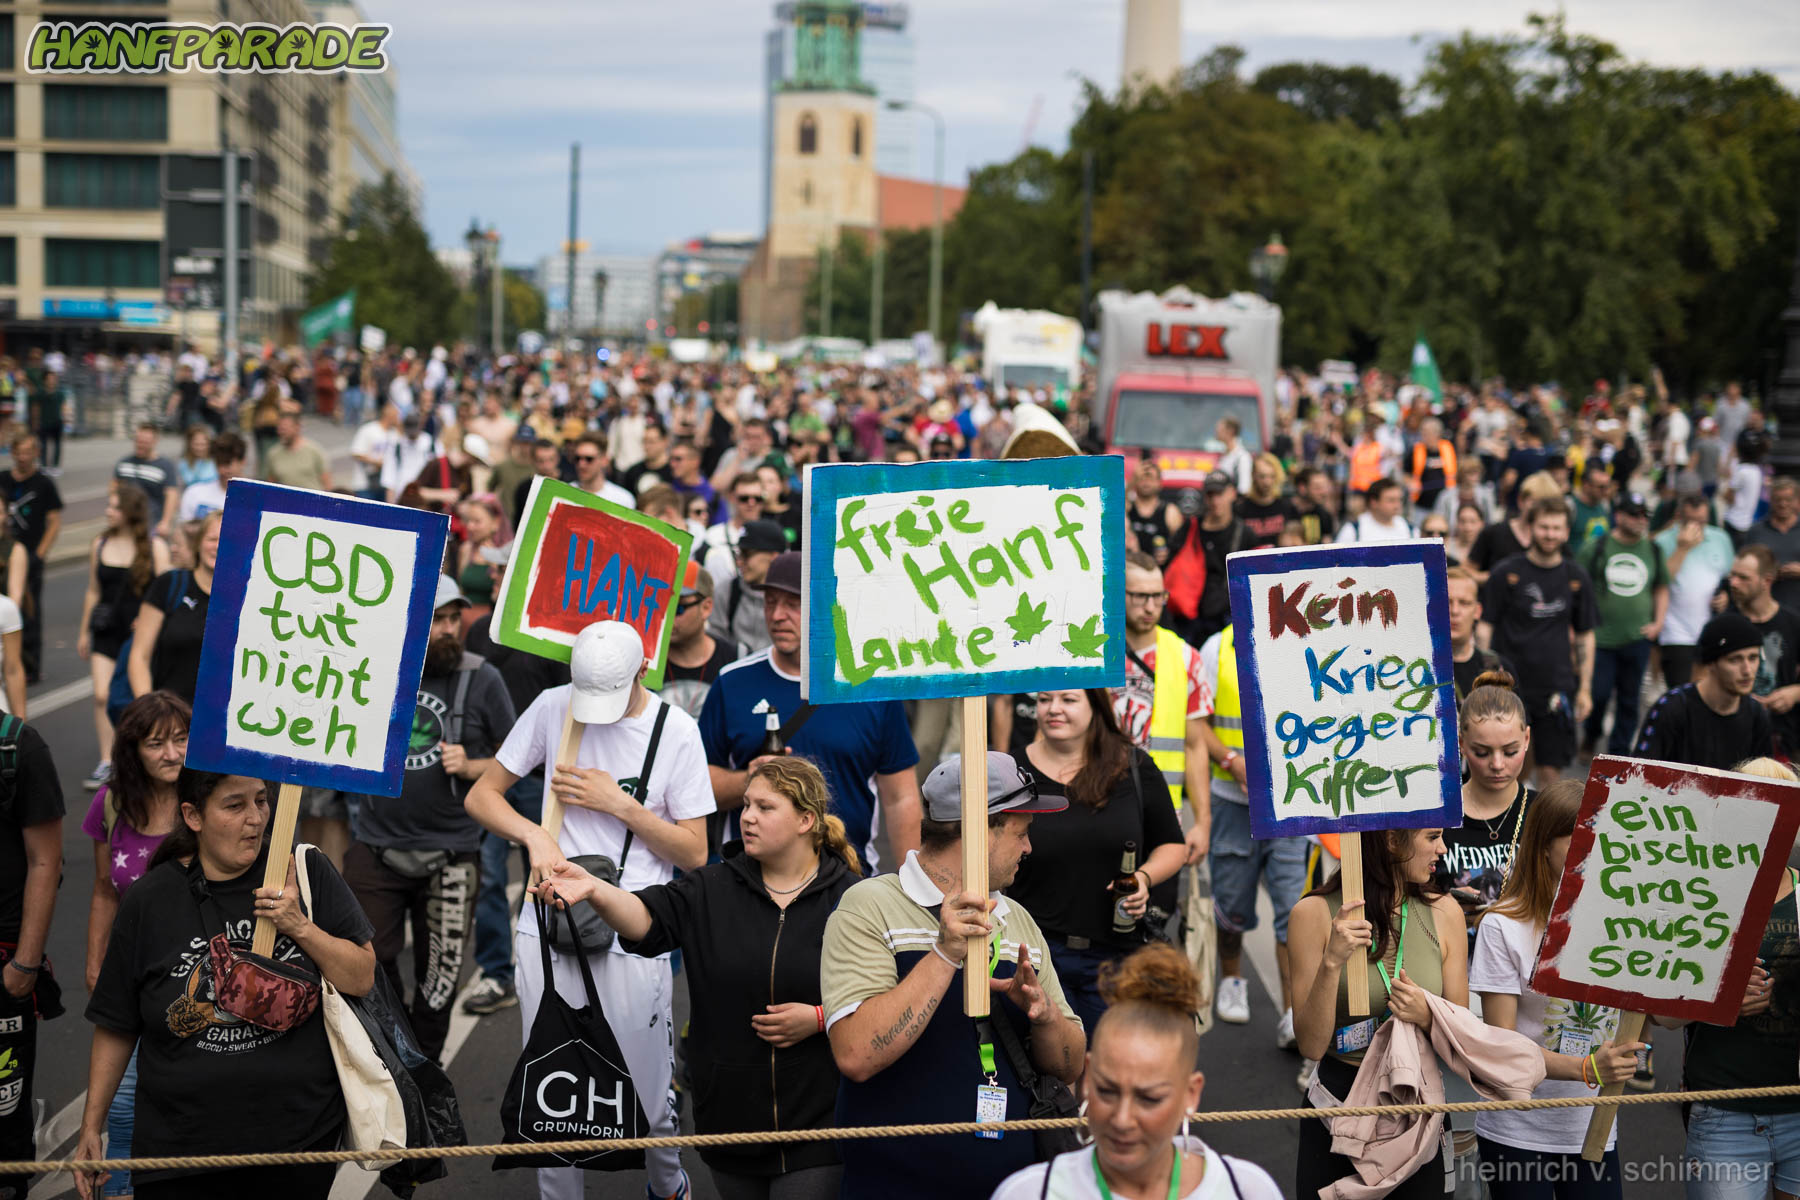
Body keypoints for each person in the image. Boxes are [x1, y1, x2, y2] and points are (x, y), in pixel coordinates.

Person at [465, 619, 714, 1200]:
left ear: (643, 670)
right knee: (554, 1091)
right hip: (548, 922)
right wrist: (534, 836)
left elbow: (695, 850)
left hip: (632, 927)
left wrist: (620, 806)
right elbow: (483, 794)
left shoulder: (675, 730)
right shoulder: (555, 705)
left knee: (649, 1096)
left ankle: (669, 1186)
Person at [535, 756, 860, 1200]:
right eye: (746, 805)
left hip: (819, 1123)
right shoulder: (711, 887)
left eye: (765, 808)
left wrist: (822, 1018)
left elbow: (882, 994)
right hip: (729, 1121)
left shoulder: (853, 898)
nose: (747, 817)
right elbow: (646, 919)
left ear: (806, 820)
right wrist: (595, 888)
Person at [75, 770, 374, 1200]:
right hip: (178, 1149)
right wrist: (90, 1126)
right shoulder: (151, 898)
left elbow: (362, 976)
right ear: (193, 815)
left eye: (261, 801)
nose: (255, 818)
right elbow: (117, 1021)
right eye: (235, 806)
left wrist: (299, 926)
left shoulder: (304, 873)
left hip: (296, 1140)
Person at [821, 752, 1086, 1200]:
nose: (1028, 848)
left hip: (1013, 1185)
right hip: (893, 1186)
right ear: (980, 831)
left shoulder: (1016, 916)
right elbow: (856, 1054)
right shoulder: (868, 906)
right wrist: (944, 954)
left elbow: (1070, 1064)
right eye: (1021, 834)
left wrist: (1044, 1020)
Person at [342, 575, 515, 1061]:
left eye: (454, 618)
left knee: (438, 984)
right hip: (376, 848)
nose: (449, 629)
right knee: (368, 965)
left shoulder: (482, 678)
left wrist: (474, 765)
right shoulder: (375, 669)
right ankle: (397, 1057)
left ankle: (428, 1078)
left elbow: (518, 759)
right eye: (437, 619)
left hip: (452, 853)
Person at [990, 943, 1283, 1200]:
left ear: (1190, 1095)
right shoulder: (1029, 1192)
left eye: (1149, 1098)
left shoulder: (1246, 1190)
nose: (1121, 1119)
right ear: (1088, 1078)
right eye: (1107, 1091)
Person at [1472, 779, 1645, 1200]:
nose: (1594, 850)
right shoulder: (1501, 925)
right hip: (1517, 1128)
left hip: (1595, 1125)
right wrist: (1587, 1070)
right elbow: (1502, 1045)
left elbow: (1669, 1018)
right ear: (1543, 845)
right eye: (1579, 838)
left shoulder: (1626, 921)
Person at [701, 551, 923, 871]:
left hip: (849, 882)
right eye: (770, 602)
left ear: (824, 606)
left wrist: (911, 888)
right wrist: (748, 780)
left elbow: (901, 797)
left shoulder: (869, 687)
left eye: (793, 604)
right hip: (748, 885)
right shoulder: (733, 682)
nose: (777, 615)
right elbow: (696, 787)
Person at [1290, 825, 1468, 1200]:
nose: (1443, 848)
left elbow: (1460, 1036)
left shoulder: (1445, 910)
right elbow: (1310, 1044)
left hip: (1416, 1106)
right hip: (1339, 1106)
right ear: (1391, 840)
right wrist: (1331, 963)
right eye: (1432, 837)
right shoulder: (1313, 913)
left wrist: (1428, 1013)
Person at [1008, 688, 1185, 1036]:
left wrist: (1144, 879)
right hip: (1033, 955)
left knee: (1106, 1068)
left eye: (1068, 700)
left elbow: (1172, 845)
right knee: (1046, 1071)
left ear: (1096, 707)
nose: (1053, 709)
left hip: (1116, 958)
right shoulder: (1012, 771)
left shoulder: (1133, 765)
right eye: (1044, 700)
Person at [1666, 755, 1800, 1200]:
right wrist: (1717, 998)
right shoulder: (1694, 898)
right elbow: (1657, 1015)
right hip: (1724, 1112)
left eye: (1780, 811)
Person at [79, 692, 189, 1199]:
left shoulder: (208, 800)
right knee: (120, 1106)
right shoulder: (113, 803)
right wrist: (95, 963)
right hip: (132, 980)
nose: (172, 754)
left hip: (194, 985)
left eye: (182, 739)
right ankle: (120, 1189)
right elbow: (104, 890)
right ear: (133, 750)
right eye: (157, 743)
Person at [459, 543, 570, 1018]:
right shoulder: (482, 630)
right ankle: (498, 973)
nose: (496, 577)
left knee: (545, 876)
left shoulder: (546, 632)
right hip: (498, 772)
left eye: (505, 570)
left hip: (542, 779)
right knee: (487, 876)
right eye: (494, 570)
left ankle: (554, 970)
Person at [1196, 620, 1309, 1036]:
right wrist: (1230, 761)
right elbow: (1197, 722)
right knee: (1231, 905)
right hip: (1231, 801)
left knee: (1294, 912)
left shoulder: (1307, 638)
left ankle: (1294, 1014)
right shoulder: (1217, 646)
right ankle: (1232, 981)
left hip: (1292, 805)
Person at [1479, 499, 1597, 784]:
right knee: (1512, 768)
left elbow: (1585, 635)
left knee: (1551, 770)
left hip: (1556, 688)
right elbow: (1484, 627)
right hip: (1509, 684)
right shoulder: (1506, 572)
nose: (1550, 534)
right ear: (1531, 528)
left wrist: (1584, 689)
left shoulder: (1576, 576)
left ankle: (1546, 827)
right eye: (1544, 527)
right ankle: (1518, 827)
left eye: (1557, 528)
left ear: (1567, 532)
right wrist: (1483, 676)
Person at [0, 716, 63, 1200]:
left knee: (5, 1109)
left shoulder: (18, 747)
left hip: (4, 963)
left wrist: (25, 963)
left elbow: (46, 860)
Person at [1114, 551, 1209, 860]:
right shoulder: (1094, 654)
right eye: (1140, 597)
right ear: (1118, 593)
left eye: (1158, 596)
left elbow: (1195, 746)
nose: (1151, 607)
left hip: (1164, 818)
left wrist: (1203, 823)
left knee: (1162, 908)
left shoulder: (1185, 658)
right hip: (1102, 809)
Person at [78, 486, 169, 792]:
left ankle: (133, 755)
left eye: (115, 507)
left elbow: (165, 591)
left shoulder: (154, 547)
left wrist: (149, 620)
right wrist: (83, 631)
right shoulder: (100, 543)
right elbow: (93, 589)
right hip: (105, 631)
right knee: (102, 695)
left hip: (137, 634)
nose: (108, 511)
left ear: (130, 512)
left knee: (130, 698)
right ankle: (108, 759)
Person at [1441, 672, 1534, 948]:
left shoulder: (1543, 812)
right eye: (1482, 752)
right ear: (1460, 743)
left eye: (1510, 751)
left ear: (1526, 739)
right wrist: (1442, 907)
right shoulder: (1438, 814)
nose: (1497, 764)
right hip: (1454, 965)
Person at [1577, 492, 1668, 757]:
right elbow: (1577, 588)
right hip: (1600, 639)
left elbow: (1661, 586)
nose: (1640, 520)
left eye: (1644, 515)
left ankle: (1618, 754)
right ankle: (1591, 736)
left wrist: (1658, 623)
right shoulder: (1596, 547)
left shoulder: (1652, 548)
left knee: (1630, 700)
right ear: (1618, 516)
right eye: (1634, 514)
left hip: (1637, 638)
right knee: (1600, 694)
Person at [1634, 611, 1774, 770]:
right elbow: (1639, 775)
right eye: (1735, 660)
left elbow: (1763, 782)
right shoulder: (1672, 708)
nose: (1747, 670)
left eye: (1753, 658)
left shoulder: (1756, 715)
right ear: (1711, 663)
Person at [127, 512, 218, 708]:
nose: (219, 546)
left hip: (218, 725)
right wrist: (152, 713)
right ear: (198, 543)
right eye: (212, 539)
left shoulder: (245, 598)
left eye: (227, 539)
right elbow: (139, 656)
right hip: (170, 720)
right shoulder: (170, 584)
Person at [1654, 492, 1736, 688]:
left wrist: (1725, 597)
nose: (1697, 526)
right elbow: (1660, 582)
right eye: (1692, 521)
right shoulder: (1662, 541)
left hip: (1712, 629)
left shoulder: (1720, 538)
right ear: (1679, 516)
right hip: (1676, 632)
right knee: (1682, 692)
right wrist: (1683, 548)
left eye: (1702, 521)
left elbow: (1730, 578)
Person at [1727, 544, 1800, 757]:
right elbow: (1700, 680)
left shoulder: (1793, 623)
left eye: (1743, 578)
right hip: (1733, 736)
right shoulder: (1725, 624)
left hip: (1785, 738)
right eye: (1732, 576)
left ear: (1766, 581)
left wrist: (1795, 693)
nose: (1733, 583)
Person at [1, 431, 62, 682]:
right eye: (19, 452)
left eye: (28, 452)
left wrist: (39, 553)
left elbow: (54, 521)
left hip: (29, 555)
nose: (23, 458)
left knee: (28, 609)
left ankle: (30, 664)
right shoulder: (4, 478)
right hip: (4, 554)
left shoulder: (44, 483)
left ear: (36, 453)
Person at [658, 562, 739, 720]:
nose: (667, 616)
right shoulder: (646, 662)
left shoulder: (735, 660)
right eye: (661, 605)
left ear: (706, 608)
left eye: (677, 608)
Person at [707, 518, 789, 656]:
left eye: (747, 554)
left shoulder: (795, 594)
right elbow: (716, 644)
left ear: (774, 556)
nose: (739, 562)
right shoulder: (726, 590)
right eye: (738, 554)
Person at [1188, 472, 1245, 648]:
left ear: (1232, 493)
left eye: (1220, 494)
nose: (1215, 501)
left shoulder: (1244, 533)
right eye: (1210, 495)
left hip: (1228, 618)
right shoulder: (1191, 528)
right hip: (1193, 617)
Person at [1447, 567, 1512, 699]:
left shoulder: (1498, 668)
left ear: (1477, 611)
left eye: (1464, 603)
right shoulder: (1420, 671)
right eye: (1446, 602)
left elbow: (1519, 719)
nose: (1454, 611)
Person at [113, 423, 180, 543]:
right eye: (138, 441)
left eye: (145, 442)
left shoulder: (165, 466)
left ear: (155, 442)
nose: (140, 445)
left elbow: (172, 494)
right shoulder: (124, 463)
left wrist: (165, 522)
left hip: (152, 523)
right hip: (127, 522)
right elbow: (114, 490)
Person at [1746, 477, 1800, 611]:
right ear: (1770, 501)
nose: (1783, 504)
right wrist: (1769, 572)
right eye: (1778, 500)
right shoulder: (1756, 531)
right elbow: (1744, 567)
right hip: (1765, 607)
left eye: (1788, 499)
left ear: (1797, 501)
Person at [701, 471, 766, 581]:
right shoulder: (713, 535)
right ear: (732, 497)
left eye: (757, 498)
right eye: (744, 498)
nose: (751, 503)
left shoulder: (772, 536)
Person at [454, 493, 510, 616]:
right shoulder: (466, 550)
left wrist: (494, 560)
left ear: (495, 522)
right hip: (465, 618)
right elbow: (461, 590)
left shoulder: (507, 554)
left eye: (477, 521)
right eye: (468, 520)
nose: (470, 526)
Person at [1125, 458, 1184, 567]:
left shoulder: (1170, 511)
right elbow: (1113, 506)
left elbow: (1181, 547)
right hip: (1131, 571)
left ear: (1159, 483)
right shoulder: (1127, 507)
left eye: (1150, 478)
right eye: (1142, 478)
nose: (1146, 482)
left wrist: (1169, 553)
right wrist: (1133, 479)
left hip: (1160, 573)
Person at [176, 432, 245, 524]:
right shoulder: (194, 492)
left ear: (243, 462)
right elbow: (180, 531)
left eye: (228, 464)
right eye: (219, 463)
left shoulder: (255, 498)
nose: (222, 470)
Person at [1236, 453, 1296, 550]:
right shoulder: (1241, 509)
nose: (1267, 482)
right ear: (1253, 476)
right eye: (1262, 476)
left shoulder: (1287, 507)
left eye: (1271, 476)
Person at [261, 412, 332, 492]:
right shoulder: (273, 454)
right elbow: (271, 484)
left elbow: (327, 483)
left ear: (297, 427)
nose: (281, 432)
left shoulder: (314, 451)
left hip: (312, 502)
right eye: (279, 429)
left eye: (285, 429)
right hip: (287, 502)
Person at [1722, 429, 1766, 547]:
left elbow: (1728, 496)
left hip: (1733, 521)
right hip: (1748, 522)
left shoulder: (1741, 470)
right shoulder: (1757, 471)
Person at [1337, 477, 1416, 542]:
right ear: (1374, 502)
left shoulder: (1410, 528)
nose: (1397, 505)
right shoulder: (1353, 530)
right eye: (1391, 500)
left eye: (1400, 500)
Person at [348, 402, 400, 501]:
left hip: (384, 484)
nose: (398, 418)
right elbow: (356, 453)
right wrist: (376, 462)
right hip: (365, 484)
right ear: (389, 415)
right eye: (396, 415)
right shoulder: (369, 429)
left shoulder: (394, 434)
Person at [570, 432, 635, 508]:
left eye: (589, 459)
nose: (581, 464)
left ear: (604, 460)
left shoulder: (623, 500)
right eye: (577, 458)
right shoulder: (564, 494)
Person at [176, 426, 215, 492]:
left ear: (209, 444)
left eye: (203, 444)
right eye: (196, 444)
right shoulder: (182, 463)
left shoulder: (215, 462)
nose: (200, 448)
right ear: (189, 444)